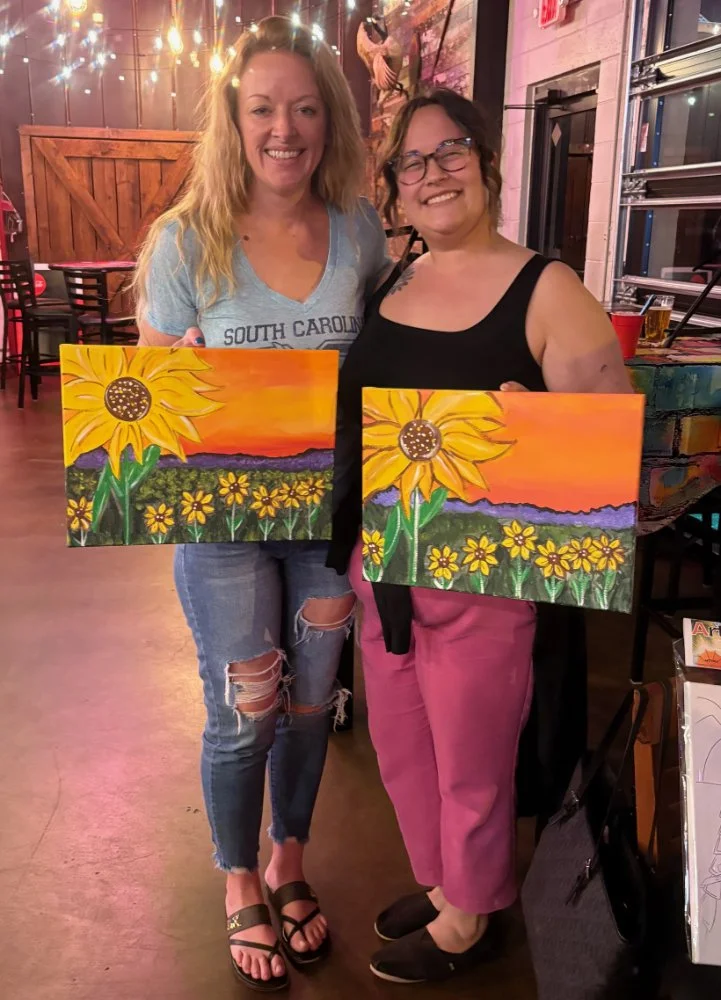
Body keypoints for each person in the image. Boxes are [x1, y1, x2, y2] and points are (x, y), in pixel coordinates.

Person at [329, 88, 633, 985]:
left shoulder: (549, 289)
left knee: (471, 759)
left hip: (480, 578)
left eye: (450, 151)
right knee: (400, 748)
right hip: (381, 566)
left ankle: (471, 911)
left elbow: (606, 441)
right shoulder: (397, 277)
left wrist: (538, 427)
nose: (433, 175)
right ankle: (440, 882)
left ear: (488, 163)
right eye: (412, 162)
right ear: (394, 188)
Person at [135, 17, 389, 992]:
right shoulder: (184, 237)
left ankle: (289, 856)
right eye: (262, 110)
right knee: (245, 712)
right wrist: (178, 374)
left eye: (304, 108)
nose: (284, 128)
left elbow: (387, 353)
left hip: (326, 521)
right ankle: (237, 873)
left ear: (328, 121)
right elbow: (148, 391)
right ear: (232, 122)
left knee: (312, 703)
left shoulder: (360, 227)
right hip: (227, 527)